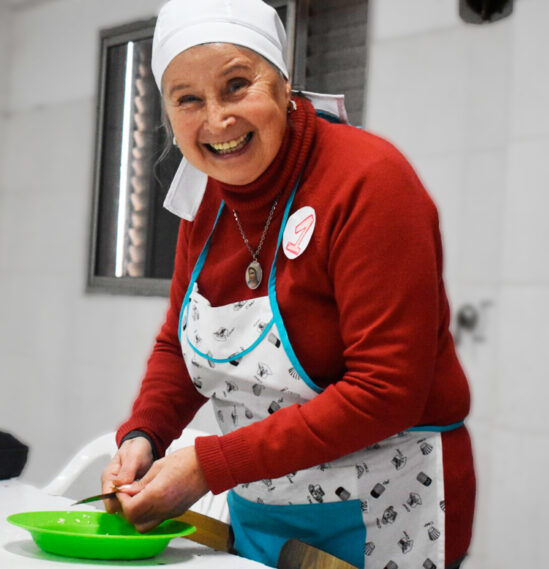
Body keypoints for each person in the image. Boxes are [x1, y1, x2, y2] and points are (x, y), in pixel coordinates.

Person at [99, 1, 475, 568]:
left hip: (385, 504)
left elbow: (386, 391)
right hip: (264, 504)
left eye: (236, 85)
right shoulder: (205, 196)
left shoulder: (368, 181)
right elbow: (180, 347)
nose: (218, 120)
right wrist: (144, 436)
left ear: (282, 80)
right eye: (189, 100)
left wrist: (208, 465)